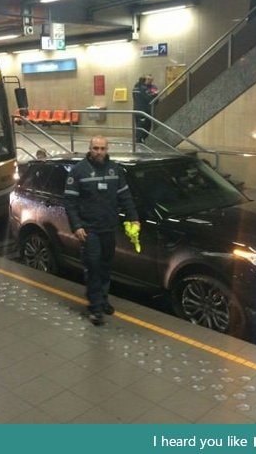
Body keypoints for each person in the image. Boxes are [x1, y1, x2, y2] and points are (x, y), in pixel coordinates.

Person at [64, 135, 140, 326]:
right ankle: (96, 307)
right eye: (95, 148)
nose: (99, 152)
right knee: (93, 266)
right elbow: (70, 202)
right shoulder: (78, 171)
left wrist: (134, 218)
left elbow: (125, 197)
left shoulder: (115, 169)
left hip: (108, 228)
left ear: (107, 149)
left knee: (105, 266)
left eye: (102, 148)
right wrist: (77, 226)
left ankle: (103, 299)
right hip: (89, 230)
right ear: (89, 148)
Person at [131, 74, 157, 143]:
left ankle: (139, 140)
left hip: (136, 109)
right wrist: (155, 95)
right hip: (144, 110)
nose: (149, 81)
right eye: (148, 79)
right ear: (145, 80)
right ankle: (140, 140)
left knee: (139, 126)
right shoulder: (143, 88)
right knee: (145, 126)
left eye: (151, 80)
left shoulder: (135, 88)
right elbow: (149, 98)